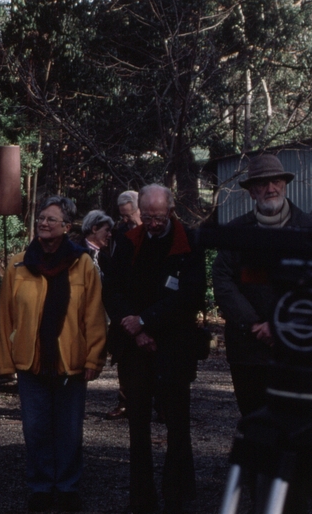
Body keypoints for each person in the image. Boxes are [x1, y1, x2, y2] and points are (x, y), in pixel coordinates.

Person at [0, 196, 106, 513]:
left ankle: (68, 487)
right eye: (41, 218)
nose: (43, 223)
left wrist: (94, 357)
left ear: (66, 227)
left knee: (69, 430)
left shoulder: (82, 263)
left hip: (71, 361)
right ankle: (41, 487)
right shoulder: (18, 264)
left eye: (51, 220)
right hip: (31, 362)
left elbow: (94, 315)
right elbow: (6, 317)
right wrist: (5, 361)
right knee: (35, 428)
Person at [103, 184, 206, 514]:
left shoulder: (190, 241)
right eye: (146, 216)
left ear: (171, 209)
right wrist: (133, 328)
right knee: (137, 426)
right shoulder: (127, 240)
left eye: (158, 217)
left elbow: (190, 296)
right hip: (135, 345)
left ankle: (178, 495)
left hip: (174, 344)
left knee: (177, 423)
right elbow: (112, 290)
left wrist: (146, 321)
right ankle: (141, 497)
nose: (152, 223)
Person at [212, 153, 312, 417]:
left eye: (276, 182)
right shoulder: (236, 232)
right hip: (248, 350)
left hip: (298, 347)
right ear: (252, 191)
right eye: (262, 183)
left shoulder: (310, 229)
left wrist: (282, 324)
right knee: (256, 429)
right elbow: (222, 279)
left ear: (285, 185)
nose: (271, 189)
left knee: (297, 429)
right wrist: (254, 323)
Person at [106, 191, 141, 420]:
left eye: (130, 215)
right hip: (124, 304)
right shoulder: (119, 235)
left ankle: (160, 404)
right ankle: (125, 400)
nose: (126, 220)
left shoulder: (157, 234)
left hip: (148, 304)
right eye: (123, 216)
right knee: (124, 358)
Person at [80, 209, 114, 278]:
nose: (110, 234)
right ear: (94, 229)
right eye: (107, 230)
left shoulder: (105, 259)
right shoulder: (76, 253)